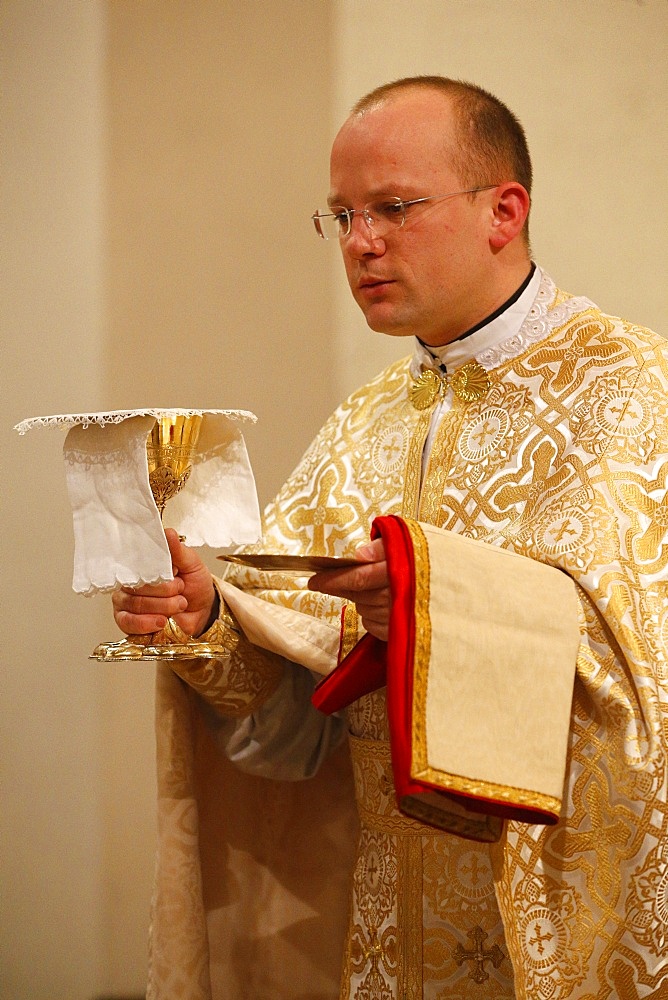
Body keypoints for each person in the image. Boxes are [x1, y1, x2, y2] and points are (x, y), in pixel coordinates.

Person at [114, 77, 668, 1000]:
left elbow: (644, 670)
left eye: (394, 208)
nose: (361, 242)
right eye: (341, 215)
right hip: (396, 910)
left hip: (568, 904)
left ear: (504, 210)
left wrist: (427, 601)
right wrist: (211, 618)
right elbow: (292, 721)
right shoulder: (363, 423)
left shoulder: (637, 394)